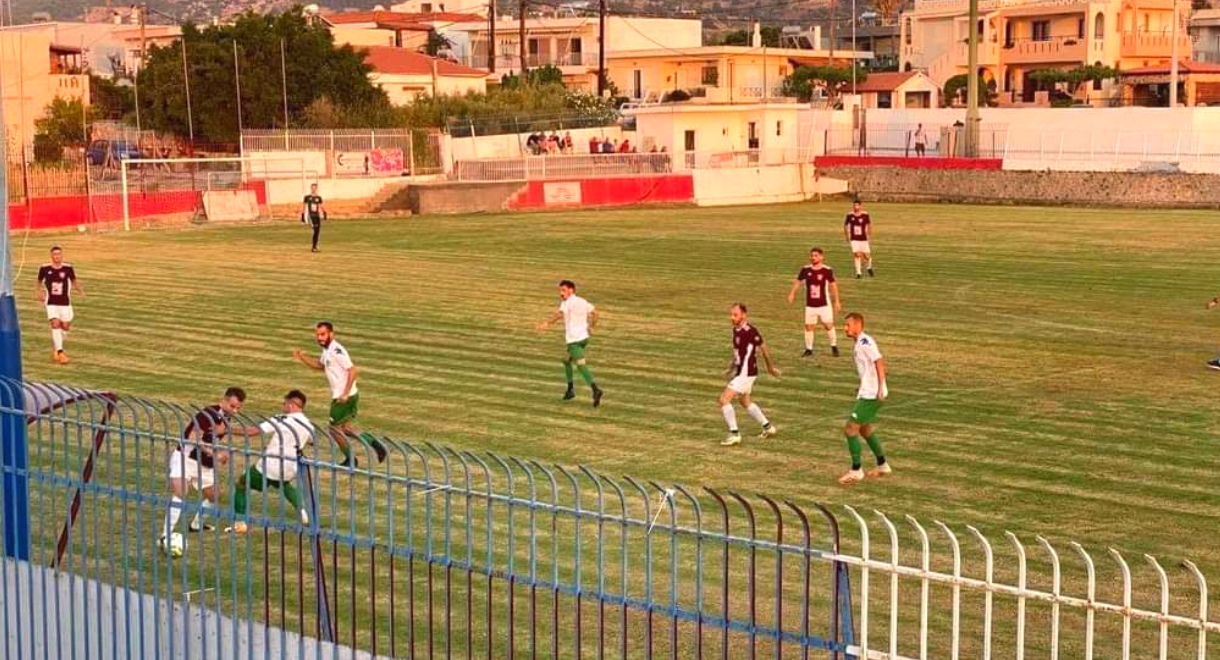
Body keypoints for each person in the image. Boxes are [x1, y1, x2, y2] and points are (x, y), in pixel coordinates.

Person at [162, 387, 261, 550]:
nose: (235, 411)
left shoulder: (225, 417)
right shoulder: (207, 415)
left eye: (238, 408)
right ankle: (165, 535)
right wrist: (215, 454)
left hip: (204, 462)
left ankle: (196, 525)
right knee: (180, 492)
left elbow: (232, 432)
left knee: (214, 496)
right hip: (185, 458)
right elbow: (193, 438)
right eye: (232, 406)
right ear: (224, 400)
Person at [293, 322, 388, 466]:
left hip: (343, 398)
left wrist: (344, 393)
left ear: (331, 334)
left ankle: (351, 460)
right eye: (318, 335)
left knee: (334, 430)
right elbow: (321, 365)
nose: (320, 337)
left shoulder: (337, 350)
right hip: (349, 396)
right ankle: (374, 443)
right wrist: (302, 357)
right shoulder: (327, 350)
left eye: (323, 334)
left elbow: (353, 371)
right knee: (344, 428)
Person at [228, 390, 316, 535]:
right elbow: (312, 441)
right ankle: (302, 513)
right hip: (290, 467)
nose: (283, 406)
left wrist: (228, 429)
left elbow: (252, 431)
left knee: (242, 484)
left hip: (270, 465)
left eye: (285, 403)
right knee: (283, 483)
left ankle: (240, 522)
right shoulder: (308, 424)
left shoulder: (281, 418)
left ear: (291, 405)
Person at [838, 312, 891, 485]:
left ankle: (856, 470)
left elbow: (879, 361)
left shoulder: (865, 342)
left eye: (848, 325)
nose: (845, 328)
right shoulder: (859, 343)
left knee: (850, 429)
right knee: (865, 429)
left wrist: (880, 387)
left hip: (872, 394)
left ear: (857, 325)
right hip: (868, 391)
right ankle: (883, 465)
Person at [719, 303, 780, 447]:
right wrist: (730, 368)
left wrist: (770, 368)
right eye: (731, 314)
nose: (732, 317)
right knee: (745, 401)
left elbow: (764, 349)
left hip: (746, 373)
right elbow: (738, 354)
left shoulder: (750, 331)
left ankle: (734, 434)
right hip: (743, 372)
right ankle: (767, 427)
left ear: (744, 315)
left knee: (724, 399)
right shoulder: (736, 330)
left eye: (735, 314)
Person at [537, 280, 604, 406]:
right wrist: (592, 326)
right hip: (584, 338)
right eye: (560, 290)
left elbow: (560, 314)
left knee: (581, 365)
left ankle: (595, 390)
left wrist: (547, 323)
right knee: (566, 360)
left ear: (571, 290)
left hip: (574, 341)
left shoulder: (567, 303)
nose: (561, 293)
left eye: (563, 290)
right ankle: (570, 390)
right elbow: (596, 313)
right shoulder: (582, 301)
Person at [787, 247, 841, 358]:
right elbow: (798, 282)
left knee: (828, 325)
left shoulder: (827, 270)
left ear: (821, 257)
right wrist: (792, 293)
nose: (813, 258)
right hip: (810, 305)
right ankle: (809, 349)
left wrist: (836, 301)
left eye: (816, 256)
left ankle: (834, 346)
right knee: (808, 327)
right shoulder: (805, 269)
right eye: (812, 255)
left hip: (824, 304)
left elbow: (833, 285)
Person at [37, 246, 84, 365]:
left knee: (65, 326)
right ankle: (60, 352)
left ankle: (57, 347)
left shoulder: (68, 268)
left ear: (62, 255)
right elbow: (39, 281)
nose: (57, 256)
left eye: (59, 254)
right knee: (55, 323)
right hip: (51, 302)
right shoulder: (44, 268)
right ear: (51, 256)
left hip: (65, 302)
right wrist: (39, 292)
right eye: (55, 254)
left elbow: (73, 280)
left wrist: (79, 290)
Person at [844, 200, 875, 278]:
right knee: (857, 254)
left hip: (863, 238)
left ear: (861, 206)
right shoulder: (850, 215)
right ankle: (858, 273)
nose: (855, 207)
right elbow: (845, 225)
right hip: (854, 238)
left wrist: (869, 235)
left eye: (857, 205)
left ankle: (869, 267)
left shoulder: (865, 214)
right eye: (854, 205)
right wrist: (847, 235)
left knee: (867, 256)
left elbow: (869, 224)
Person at [300, 183, 327, 253]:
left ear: (316, 189)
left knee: (317, 231)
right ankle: (314, 247)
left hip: (317, 216)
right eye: (312, 188)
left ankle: (315, 247)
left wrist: (324, 213)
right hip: (310, 216)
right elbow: (303, 206)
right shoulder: (307, 197)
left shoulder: (318, 198)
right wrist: (302, 215)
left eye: (315, 188)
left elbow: (321, 206)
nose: (313, 189)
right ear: (311, 188)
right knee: (315, 230)